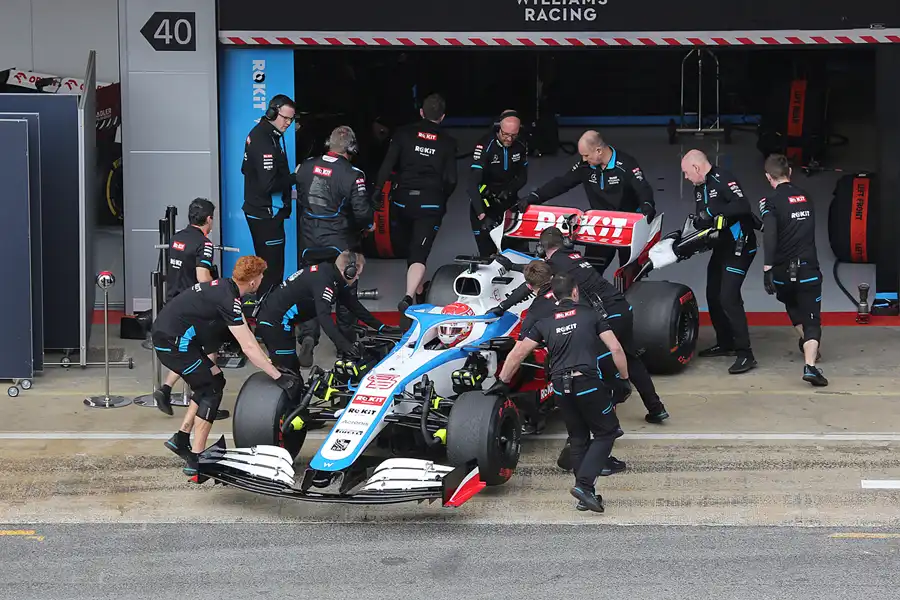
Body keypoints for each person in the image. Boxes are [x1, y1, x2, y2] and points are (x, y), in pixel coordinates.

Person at [492, 227, 669, 424]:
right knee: (630, 358)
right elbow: (539, 273)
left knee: (601, 363)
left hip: (606, 313)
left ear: (542, 247)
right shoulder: (572, 255)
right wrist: (515, 266)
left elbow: (533, 280)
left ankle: (606, 420)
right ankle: (656, 408)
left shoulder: (552, 266)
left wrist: (502, 306)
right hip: (622, 308)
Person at [488, 274, 627, 513]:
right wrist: (624, 380)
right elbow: (615, 347)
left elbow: (517, 353)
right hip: (587, 383)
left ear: (554, 296)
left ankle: (586, 495)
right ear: (575, 292)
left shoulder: (544, 321)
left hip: (561, 388)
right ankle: (584, 485)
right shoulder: (590, 315)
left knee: (578, 438)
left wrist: (503, 381)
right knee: (607, 432)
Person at [152, 256, 301, 478]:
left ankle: (181, 438)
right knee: (210, 390)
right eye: (261, 277)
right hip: (173, 343)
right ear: (253, 282)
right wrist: (278, 377)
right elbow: (248, 347)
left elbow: (248, 337)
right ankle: (196, 460)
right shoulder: (228, 300)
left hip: (174, 338)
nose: (261, 280)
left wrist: (270, 364)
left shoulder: (226, 288)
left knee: (215, 379)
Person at [517, 130, 656, 275]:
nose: (583, 159)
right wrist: (534, 197)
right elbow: (562, 183)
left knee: (629, 275)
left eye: (586, 155)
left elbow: (642, 187)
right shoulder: (585, 166)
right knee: (590, 273)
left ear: (598, 151)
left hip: (627, 228)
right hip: (599, 226)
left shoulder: (626, 164)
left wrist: (647, 205)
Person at [293, 126, 375, 366]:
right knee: (346, 292)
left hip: (309, 241)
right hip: (341, 243)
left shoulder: (305, 166)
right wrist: (369, 224)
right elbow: (362, 214)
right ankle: (345, 345)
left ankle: (308, 337)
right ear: (352, 148)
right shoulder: (353, 174)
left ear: (329, 143)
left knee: (309, 288)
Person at [372, 93, 458, 313]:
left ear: (421, 112)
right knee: (419, 252)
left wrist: (376, 192)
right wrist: (441, 197)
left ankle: (418, 290)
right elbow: (451, 180)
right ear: (443, 116)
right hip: (430, 204)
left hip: (402, 202)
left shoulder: (403, 134)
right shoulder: (448, 142)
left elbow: (386, 166)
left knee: (412, 249)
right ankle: (409, 296)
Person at [681, 149, 758, 374]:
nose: (686, 178)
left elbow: (743, 206)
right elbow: (704, 220)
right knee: (713, 294)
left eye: (686, 173)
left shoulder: (723, 178)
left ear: (696, 168)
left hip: (740, 246)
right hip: (721, 247)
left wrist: (715, 213)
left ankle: (746, 353)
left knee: (729, 297)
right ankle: (726, 343)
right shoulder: (699, 188)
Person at [255, 251, 399, 370]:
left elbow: (354, 305)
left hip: (280, 321)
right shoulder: (325, 283)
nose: (358, 277)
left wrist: (381, 327)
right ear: (349, 271)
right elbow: (324, 318)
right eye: (357, 273)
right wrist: (344, 345)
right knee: (286, 372)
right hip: (273, 323)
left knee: (291, 370)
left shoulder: (332, 275)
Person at [154, 198, 229, 420]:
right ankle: (207, 400)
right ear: (209, 219)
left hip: (173, 302)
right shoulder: (204, 243)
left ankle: (165, 389)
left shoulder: (176, 238)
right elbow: (202, 278)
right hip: (192, 307)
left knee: (188, 350)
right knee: (210, 349)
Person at [759, 154, 827, 386]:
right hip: (807, 269)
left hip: (781, 272)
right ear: (790, 173)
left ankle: (807, 342)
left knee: (791, 302)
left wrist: (767, 268)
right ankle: (810, 366)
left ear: (769, 177)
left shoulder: (770, 201)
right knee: (812, 322)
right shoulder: (806, 197)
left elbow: (770, 234)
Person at [242, 94, 297, 298]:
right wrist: (294, 178)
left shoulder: (266, 134)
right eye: (285, 118)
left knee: (266, 269)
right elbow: (268, 184)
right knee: (272, 271)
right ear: (272, 112)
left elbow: (245, 169)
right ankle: (269, 320)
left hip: (261, 211)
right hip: (266, 215)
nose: (288, 123)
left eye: (291, 120)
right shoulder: (264, 140)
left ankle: (265, 314)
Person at [467, 110, 528, 256]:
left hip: (508, 202)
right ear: (498, 128)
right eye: (505, 134)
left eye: (513, 135)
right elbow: (472, 184)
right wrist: (482, 215)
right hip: (484, 204)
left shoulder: (520, 145)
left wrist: (510, 190)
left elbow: (523, 177)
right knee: (488, 255)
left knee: (517, 252)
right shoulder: (485, 145)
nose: (509, 139)